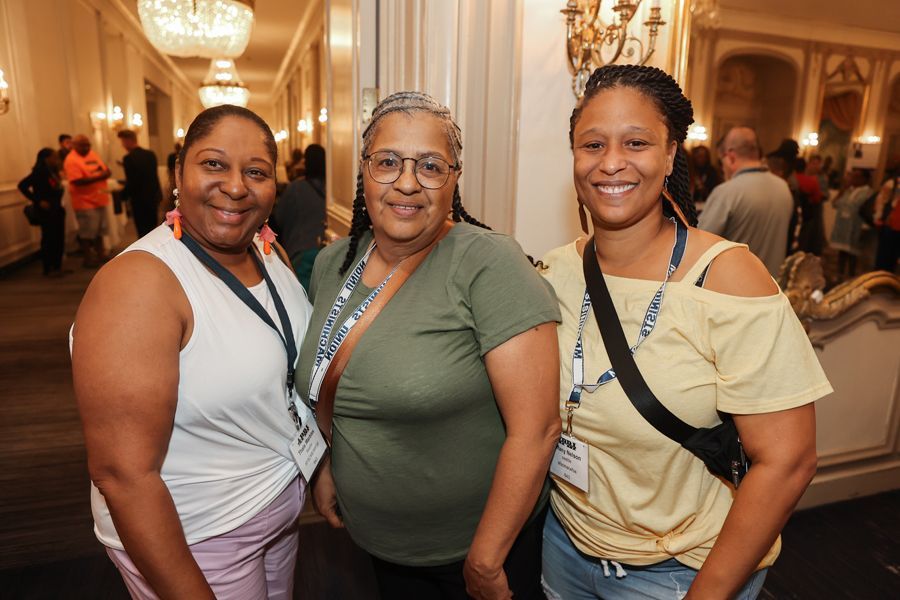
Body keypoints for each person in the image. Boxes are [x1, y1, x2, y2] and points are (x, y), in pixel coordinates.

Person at [540, 65, 831, 600]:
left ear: (671, 155)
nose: (611, 162)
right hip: (564, 545)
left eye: (636, 142)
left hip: (678, 573)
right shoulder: (555, 270)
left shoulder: (729, 279)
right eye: (592, 144)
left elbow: (788, 462)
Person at [296, 91, 561, 600]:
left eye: (431, 166)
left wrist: (485, 560)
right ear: (364, 172)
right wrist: (327, 466)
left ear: (455, 178)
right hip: (376, 542)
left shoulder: (488, 263)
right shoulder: (332, 264)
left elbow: (538, 429)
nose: (408, 182)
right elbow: (329, 378)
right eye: (388, 162)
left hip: (477, 553)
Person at [72, 105, 313, 599]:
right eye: (214, 164)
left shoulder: (268, 252)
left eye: (256, 172)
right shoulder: (139, 284)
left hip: (276, 507)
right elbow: (123, 475)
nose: (236, 186)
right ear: (177, 173)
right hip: (200, 536)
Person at [698, 127, 794, 276]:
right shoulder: (783, 188)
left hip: (735, 290)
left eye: (721, 160)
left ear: (730, 156)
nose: (722, 167)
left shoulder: (727, 192)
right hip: (772, 289)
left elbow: (698, 245)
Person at [270, 143, 326, 291]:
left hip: (301, 253)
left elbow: (279, 218)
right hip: (325, 251)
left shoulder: (295, 188)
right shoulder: (333, 188)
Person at [18, 148, 68, 277]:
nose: (57, 160)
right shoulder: (39, 172)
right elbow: (22, 185)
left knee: (59, 238)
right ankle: (48, 268)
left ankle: (57, 266)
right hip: (46, 211)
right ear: (46, 158)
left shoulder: (53, 172)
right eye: (54, 157)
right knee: (49, 239)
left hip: (57, 208)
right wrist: (38, 200)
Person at [64, 134, 112, 267]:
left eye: (88, 145)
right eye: (83, 145)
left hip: (100, 198)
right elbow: (77, 181)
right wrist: (99, 176)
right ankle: (88, 258)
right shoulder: (71, 160)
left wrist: (105, 174)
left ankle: (100, 253)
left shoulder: (93, 154)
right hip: (85, 202)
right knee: (87, 233)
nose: (86, 148)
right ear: (74, 146)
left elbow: (106, 171)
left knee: (100, 230)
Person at [117, 129, 163, 239]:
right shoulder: (150, 154)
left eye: (122, 141)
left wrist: (122, 196)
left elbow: (132, 182)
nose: (122, 145)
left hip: (138, 199)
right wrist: (159, 194)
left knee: (142, 230)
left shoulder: (128, 158)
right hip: (152, 196)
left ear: (128, 140)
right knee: (153, 228)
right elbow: (154, 177)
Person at [830, 168, 875, 279]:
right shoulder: (848, 190)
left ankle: (851, 277)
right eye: (852, 176)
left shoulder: (868, 193)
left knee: (853, 255)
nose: (853, 179)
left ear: (864, 179)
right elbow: (835, 204)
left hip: (856, 227)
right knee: (842, 252)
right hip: (843, 227)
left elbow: (865, 210)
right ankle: (839, 275)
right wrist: (842, 190)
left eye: (857, 176)